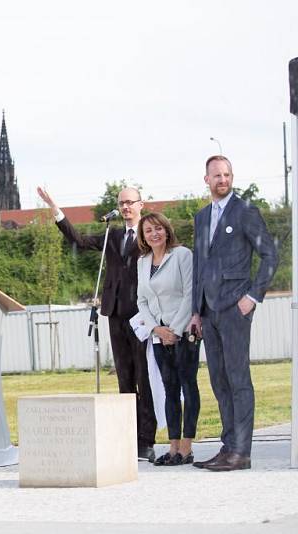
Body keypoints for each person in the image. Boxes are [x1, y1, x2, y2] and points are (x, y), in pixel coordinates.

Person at [37, 186, 157, 461]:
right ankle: (128, 435)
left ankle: (146, 440)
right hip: (115, 312)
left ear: (141, 204)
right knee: (124, 378)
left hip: (142, 314)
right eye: (121, 203)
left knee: (144, 377)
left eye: (130, 203)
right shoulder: (112, 235)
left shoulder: (151, 233)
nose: (126, 207)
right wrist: (56, 210)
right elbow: (78, 240)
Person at [189, 155, 278, 471]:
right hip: (209, 312)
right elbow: (199, 266)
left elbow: (270, 255)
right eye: (216, 175)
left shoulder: (245, 211)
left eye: (227, 174)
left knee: (238, 379)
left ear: (232, 177)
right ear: (207, 180)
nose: (222, 180)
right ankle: (228, 448)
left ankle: (241, 451)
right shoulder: (201, 218)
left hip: (234, 308)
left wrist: (252, 296)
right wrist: (195, 312)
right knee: (219, 379)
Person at [135, 213, 199, 466]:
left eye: (158, 228)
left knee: (188, 387)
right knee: (169, 390)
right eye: (149, 230)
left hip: (184, 333)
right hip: (160, 336)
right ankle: (173, 448)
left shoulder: (182, 255)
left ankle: (186, 447)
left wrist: (175, 329)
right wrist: (156, 330)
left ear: (167, 230)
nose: (154, 234)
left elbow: (189, 293)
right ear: (143, 236)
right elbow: (142, 300)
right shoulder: (143, 262)